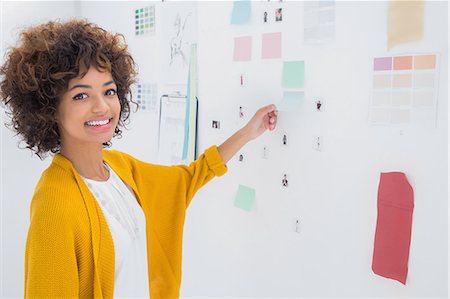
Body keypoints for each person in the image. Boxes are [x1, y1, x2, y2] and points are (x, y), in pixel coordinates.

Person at [0, 19, 277, 298]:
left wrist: (248, 132)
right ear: (49, 108)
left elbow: (189, 178)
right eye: (81, 95)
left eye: (109, 91)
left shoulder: (120, 168)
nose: (102, 107)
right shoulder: (54, 204)